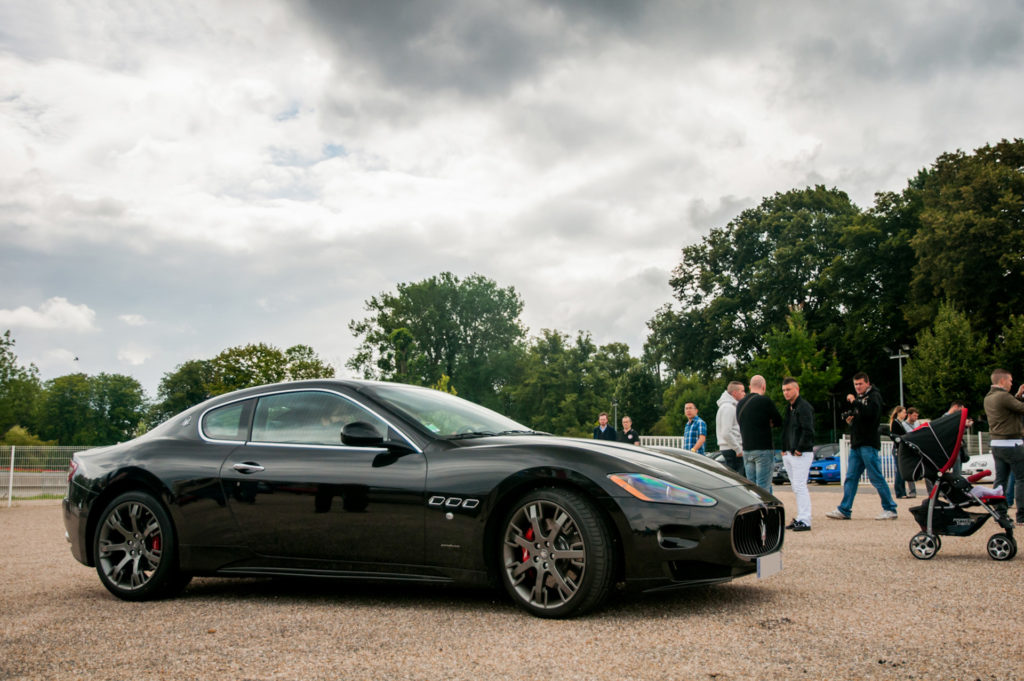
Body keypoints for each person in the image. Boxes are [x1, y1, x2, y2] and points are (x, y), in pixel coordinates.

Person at [826, 372, 899, 520]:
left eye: (860, 384)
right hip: (857, 444)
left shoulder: (874, 397)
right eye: (855, 384)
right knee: (851, 477)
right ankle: (844, 509)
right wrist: (851, 420)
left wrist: (854, 402)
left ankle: (890, 508)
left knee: (876, 477)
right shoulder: (861, 399)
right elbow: (862, 418)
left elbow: (871, 415)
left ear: (867, 383)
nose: (858, 387)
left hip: (868, 444)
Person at [982, 369, 1024, 525]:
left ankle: (999, 513)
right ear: (1002, 381)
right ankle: (1022, 516)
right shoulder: (1003, 396)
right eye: (1010, 381)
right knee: (1021, 479)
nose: (1011, 383)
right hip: (1011, 443)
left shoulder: (989, 397)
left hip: (996, 444)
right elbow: (1021, 408)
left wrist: (1018, 395)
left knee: (1000, 480)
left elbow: (1011, 407)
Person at [736, 375, 782, 492]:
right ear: (764, 386)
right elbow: (779, 421)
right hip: (763, 449)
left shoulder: (740, 404)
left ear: (750, 387)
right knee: (763, 488)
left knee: (752, 488)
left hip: (747, 449)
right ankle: (765, 505)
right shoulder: (765, 401)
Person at [781, 378, 813, 532]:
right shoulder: (789, 408)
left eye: (788, 389)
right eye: (784, 390)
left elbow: (808, 430)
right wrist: (784, 448)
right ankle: (801, 517)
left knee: (800, 486)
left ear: (797, 389)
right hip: (789, 452)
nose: (785, 393)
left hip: (800, 453)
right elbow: (786, 429)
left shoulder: (804, 407)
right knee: (796, 486)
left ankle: (805, 520)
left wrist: (800, 448)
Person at [715, 381, 746, 474]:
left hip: (730, 448)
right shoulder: (728, 408)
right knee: (740, 478)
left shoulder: (728, 406)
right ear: (735, 393)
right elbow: (726, 432)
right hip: (732, 449)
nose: (744, 394)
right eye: (742, 391)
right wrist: (738, 449)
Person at [888, 406, 916, 499]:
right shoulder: (896, 423)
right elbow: (894, 436)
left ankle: (902, 492)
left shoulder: (899, 423)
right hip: (898, 449)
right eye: (903, 412)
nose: (905, 414)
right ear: (898, 413)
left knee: (901, 471)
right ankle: (899, 492)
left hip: (900, 449)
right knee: (899, 471)